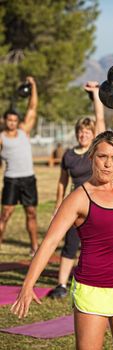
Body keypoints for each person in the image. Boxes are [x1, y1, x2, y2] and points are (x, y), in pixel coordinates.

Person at [11, 58, 113, 350]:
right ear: (91, 157)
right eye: (102, 157)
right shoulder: (80, 197)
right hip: (93, 290)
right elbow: (49, 243)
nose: (108, 164)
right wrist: (27, 285)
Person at [48, 81, 105, 298]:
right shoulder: (69, 155)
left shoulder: (95, 150)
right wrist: (57, 206)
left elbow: (100, 120)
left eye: (87, 132)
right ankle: (62, 285)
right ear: (77, 134)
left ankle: (98, 281)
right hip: (74, 203)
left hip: (96, 203)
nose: (84, 135)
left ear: (92, 135)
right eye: (81, 132)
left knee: (96, 245)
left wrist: (96, 95)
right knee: (70, 244)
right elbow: (62, 182)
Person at [0, 77, 39, 256]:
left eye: (15, 120)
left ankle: (34, 247)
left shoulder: (24, 131)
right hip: (11, 180)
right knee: (5, 214)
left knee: (31, 212)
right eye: (9, 120)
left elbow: (32, 108)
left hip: (28, 179)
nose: (12, 123)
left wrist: (33, 86)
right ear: (5, 120)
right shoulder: (1, 137)